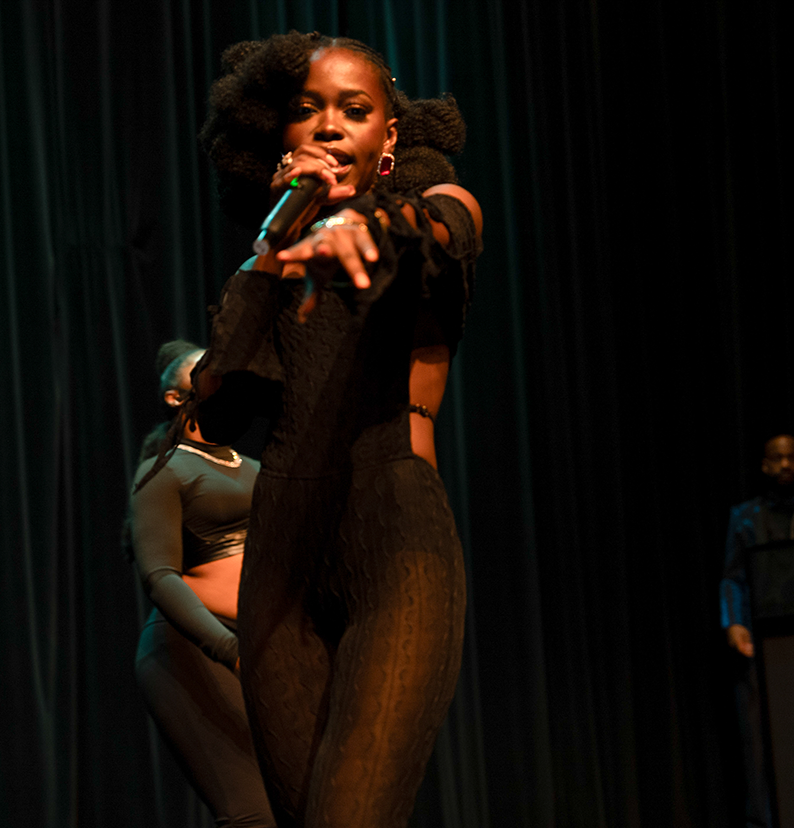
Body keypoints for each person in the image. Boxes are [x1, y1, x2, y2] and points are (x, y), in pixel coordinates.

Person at [187, 32, 483, 828]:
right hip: (281, 565)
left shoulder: (431, 212)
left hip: (396, 546)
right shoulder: (270, 260)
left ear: (389, 135)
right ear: (274, 137)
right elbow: (213, 393)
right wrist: (275, 246)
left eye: (354, 111)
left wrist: (371, 231)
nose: (326, 127)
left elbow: (447, 227)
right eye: (305, 111)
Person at [128, 339, 275, 828]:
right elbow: (159, 576)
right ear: (177, 396)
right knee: (253, 811)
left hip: (255, 647)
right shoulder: (163, 472)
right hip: (192, 647)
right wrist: (228, 649)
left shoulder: (254, 469)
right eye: (211, 373)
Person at [719, 433, 794, 828]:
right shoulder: (745, 516)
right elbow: (732, 577)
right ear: (764, 465)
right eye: (778, 458)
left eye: (792, 458)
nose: (785, 465)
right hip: (759, 639)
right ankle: (762, 822)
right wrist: (735, 623)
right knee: (758, 741)